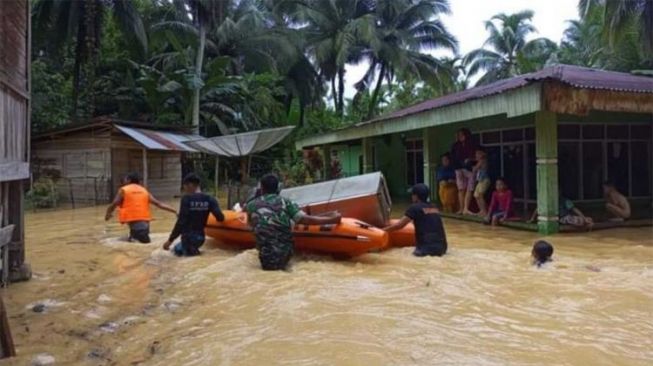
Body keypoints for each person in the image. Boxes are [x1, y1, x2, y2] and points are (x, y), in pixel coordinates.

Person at [245, 174, 342, 271]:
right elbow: (304, 219)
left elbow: (251, 225)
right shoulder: (285, 202)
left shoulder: (250, 205)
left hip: (265, 253)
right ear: (278, 188)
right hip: (284, 251)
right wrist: (332, 220)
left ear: (262, 188)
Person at [162, 173, 225, 256]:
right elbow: (220, 218)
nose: (184, 189)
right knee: (178, 250)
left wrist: (170, 241)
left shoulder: (186, 199)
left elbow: (181, 222)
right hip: (200, 239)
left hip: (187, 239)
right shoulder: (210, 199)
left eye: (184, 186)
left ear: (190, 185)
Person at [105, 172, 177, 243]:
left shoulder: (123, 190)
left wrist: (108, 214)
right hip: (145, 229)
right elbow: (159, 204)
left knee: (122, 240)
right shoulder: (144, 190)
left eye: (125, 179)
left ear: (129, 180)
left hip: (137, 231)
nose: (123, 181)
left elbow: (114, 204)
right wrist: (175, 211)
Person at [384, 183, 448, 257]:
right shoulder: (434, 208)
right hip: (442, 248)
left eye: (412, 195)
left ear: (416, 196)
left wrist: (382, 230)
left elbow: (399, 225)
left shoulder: (414, 208)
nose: (411, 197)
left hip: (425, 249)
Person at [450, 128, 478, 215]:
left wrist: (469, 160)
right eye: (459, 135)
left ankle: (465, 208)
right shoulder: (455, 145)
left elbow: (475, 156)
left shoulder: (471, 144)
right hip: (459, 169)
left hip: (468, 169)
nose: (460, 136)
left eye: (461, 135)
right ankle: (462, 209)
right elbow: (453, 157)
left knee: (469, 189)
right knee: (461, 189)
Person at [529, 196, 593, 230]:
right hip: (562, 218)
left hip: (566, 217)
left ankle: (586, 222)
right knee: (581, 221)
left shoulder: (564, 200)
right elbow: (538, 208)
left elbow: (574, 209)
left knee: (588, 219)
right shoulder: (547, 200)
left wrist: (583, 217)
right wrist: (532, 219)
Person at [472, 149, 490, 216]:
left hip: (484, 180)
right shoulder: (479, 161)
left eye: (478, 154)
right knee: (476, 195)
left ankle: (485, 211)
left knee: (480, 195)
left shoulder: (482, 161)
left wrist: (473, 165)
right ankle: (481, 210)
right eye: (476, 154)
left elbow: (475, 169)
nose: (476, 155)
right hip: (480, 181)